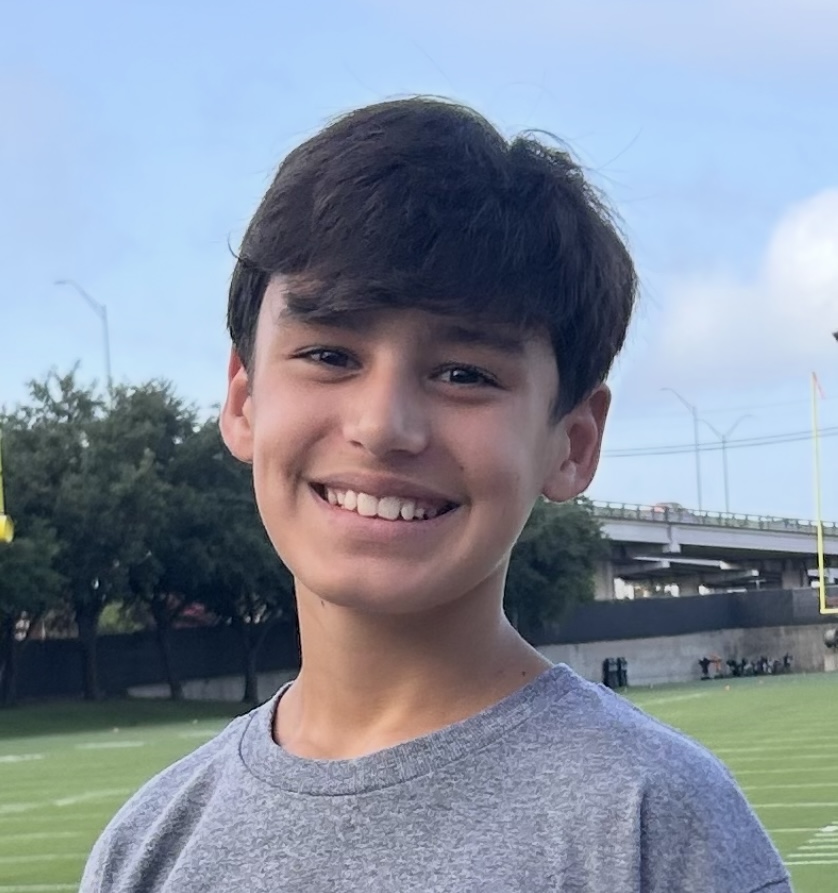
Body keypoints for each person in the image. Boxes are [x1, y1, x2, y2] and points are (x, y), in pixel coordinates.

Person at [80, 98, 791, 892]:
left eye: (464, 373)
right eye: (329, 354)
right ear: (244, 400)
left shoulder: (656, 827)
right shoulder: (149, 847)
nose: (383, 425)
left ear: (573, 442)